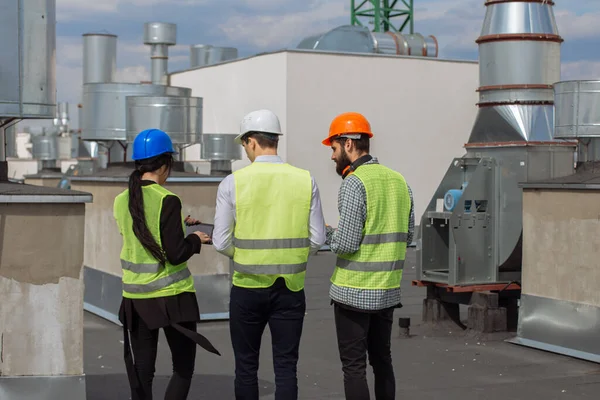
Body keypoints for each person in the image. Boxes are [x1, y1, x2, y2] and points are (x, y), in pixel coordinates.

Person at [213, 109, 327, 399]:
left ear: (251, 142)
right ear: (275, 140)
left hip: (247, 287)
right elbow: (317, 238)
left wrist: (244, 256)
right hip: (290, 288)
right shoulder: (305, 180)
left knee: (246, 368)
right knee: (286, 367)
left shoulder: (233, 183)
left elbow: (221, 241)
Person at [113, 128, 221, 400]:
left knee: (142, 372)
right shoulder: (167, 199)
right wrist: (195, 239)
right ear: (165, 164)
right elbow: (176, 253)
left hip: (135, 298)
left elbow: (141, 235)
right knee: (183, 368)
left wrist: (178, 226)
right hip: (172, 298)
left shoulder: (121, 200)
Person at [322, 112, 415, 400]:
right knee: (382, 362)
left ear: (348, 144)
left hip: (354, 293)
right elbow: (407, 236)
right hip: (386, 291)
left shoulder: (354, 182)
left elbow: (347, 243)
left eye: (334, 148)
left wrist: (327, 234)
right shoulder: (400, 181)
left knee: (354, 368)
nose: (332, 156)